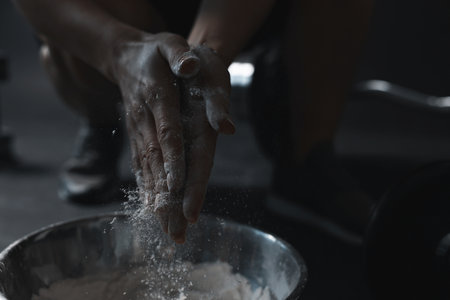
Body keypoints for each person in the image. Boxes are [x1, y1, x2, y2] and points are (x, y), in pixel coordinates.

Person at [14, 0, 374, 243]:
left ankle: (306, 151)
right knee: (83, 28)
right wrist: (118, 51)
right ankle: (102, 120)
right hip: (124, 16)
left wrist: (202, 56)